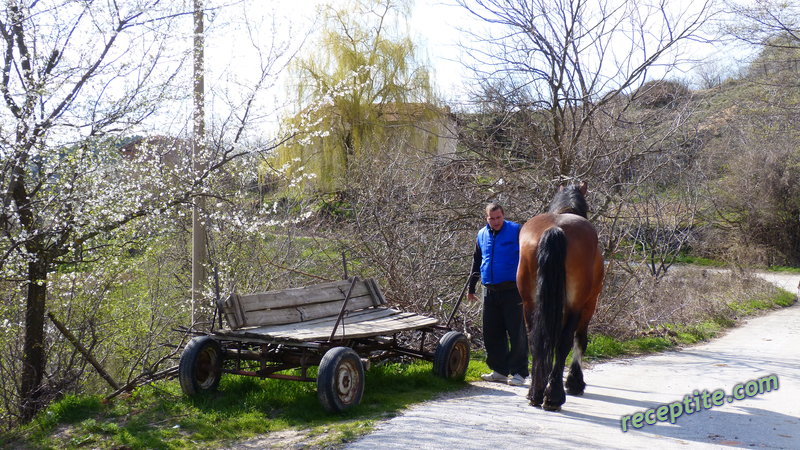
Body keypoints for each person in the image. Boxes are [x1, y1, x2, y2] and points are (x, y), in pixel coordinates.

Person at [468, 202, 529, 386]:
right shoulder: (481, 234)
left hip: (512, 290)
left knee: (516, 332)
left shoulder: (517, 230)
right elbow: (477, 261)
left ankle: (519, 372)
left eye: (498, 217)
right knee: (492, 332)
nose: (496, 221)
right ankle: (499, 371)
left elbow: (528, 257)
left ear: (503, 215)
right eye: (492, 218)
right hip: (490, 290)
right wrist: (471, 288)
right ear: (486, 218)